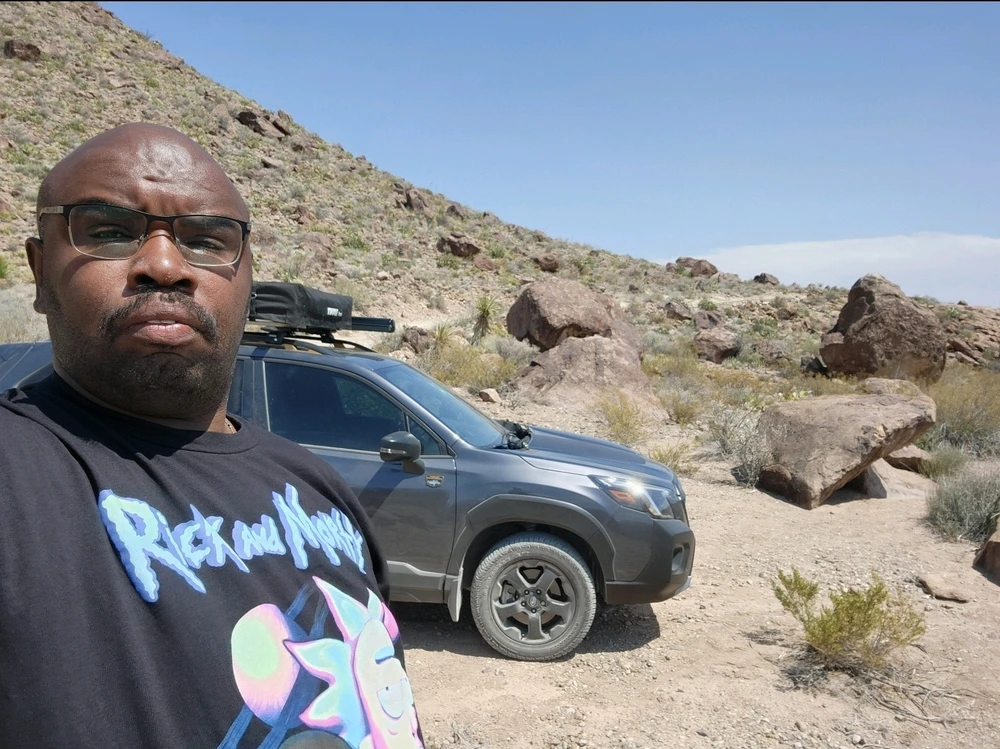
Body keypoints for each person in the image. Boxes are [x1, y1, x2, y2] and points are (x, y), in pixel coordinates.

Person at [0, 123, 425, 749]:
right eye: (109, 231)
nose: (164, 266)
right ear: (41, 272)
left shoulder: (316, 486)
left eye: (206, 240)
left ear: (246, 279)